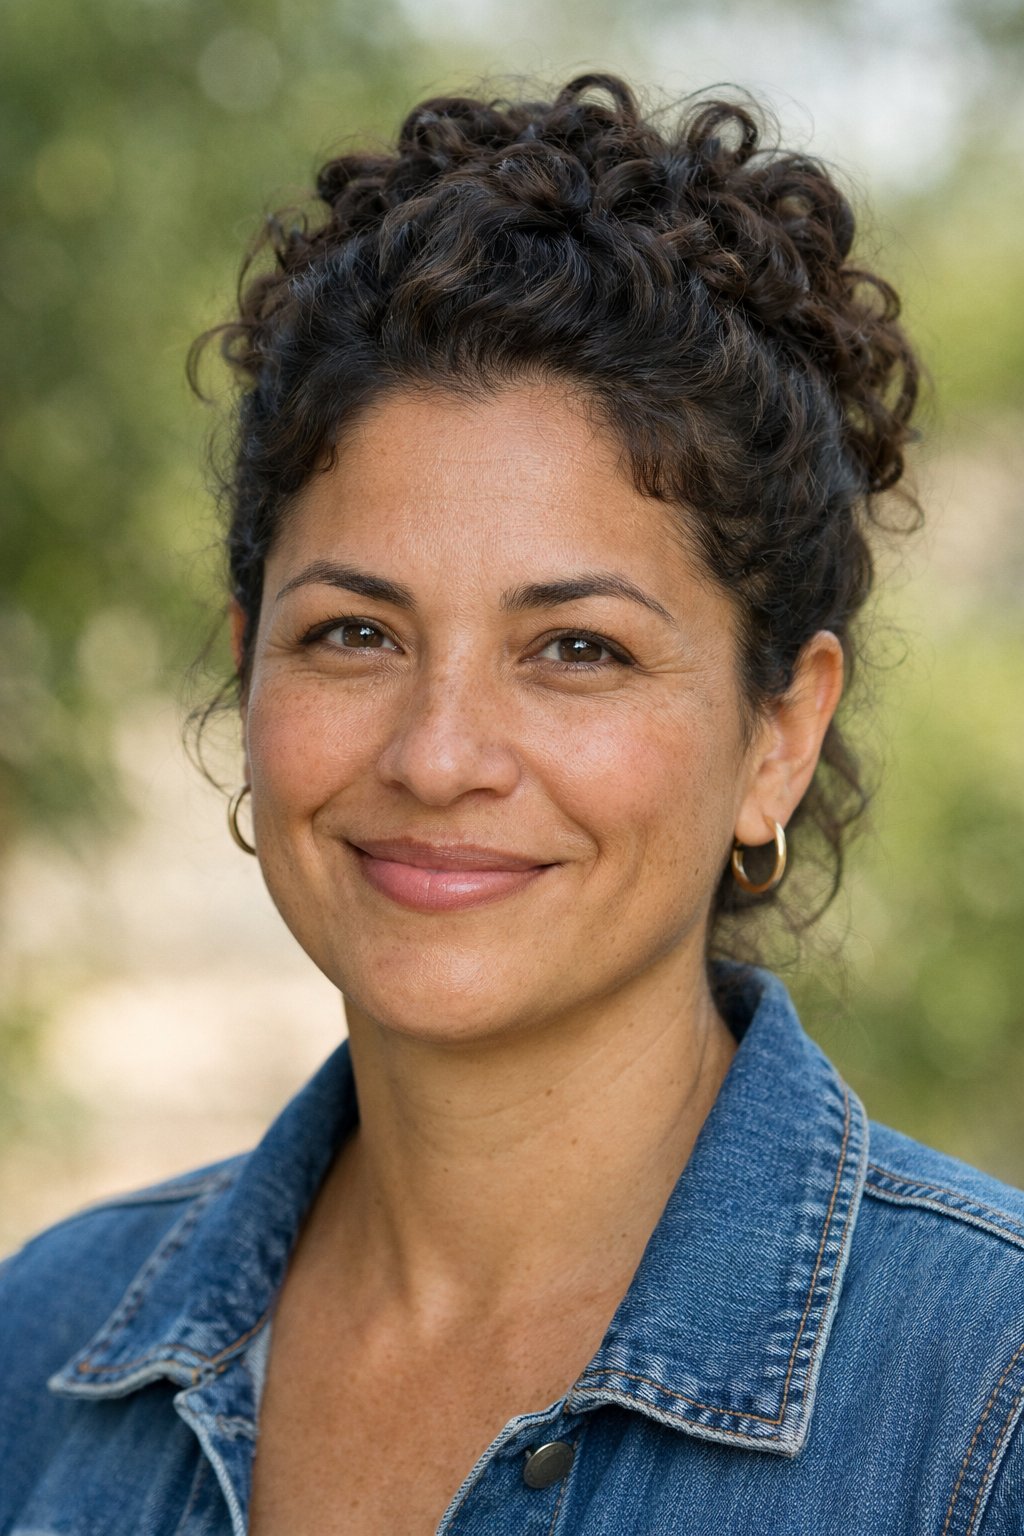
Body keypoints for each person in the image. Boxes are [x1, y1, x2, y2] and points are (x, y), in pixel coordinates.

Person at [1, 72, 1022, 1536]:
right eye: (354, 633)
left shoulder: (985, 1404)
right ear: (249, 674)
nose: (437, 754)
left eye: (577, 650)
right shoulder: (40, 1355)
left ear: (779, 734)